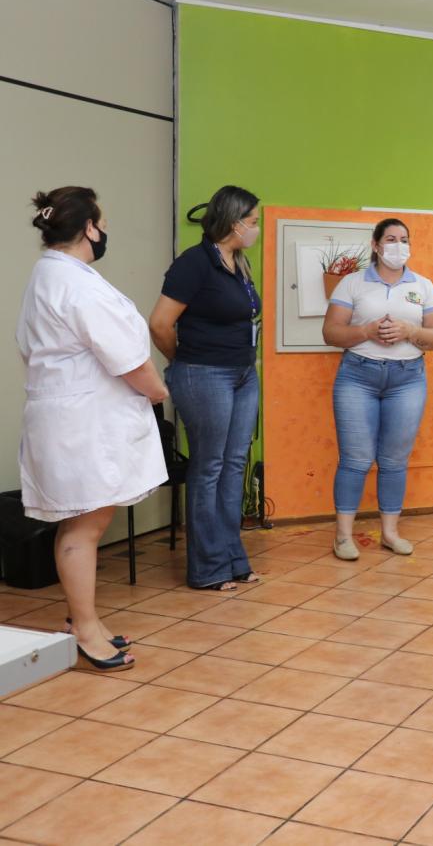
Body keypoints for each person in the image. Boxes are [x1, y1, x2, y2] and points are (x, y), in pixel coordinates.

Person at [20, 188, 168, 671]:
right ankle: (84, 630)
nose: (104, 232)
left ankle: (84, 619)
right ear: (88, 228)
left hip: (72, 417)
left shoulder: (53, 275)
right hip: (83, 423)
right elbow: (126, 358)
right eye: (101, 223)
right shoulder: (76, 284)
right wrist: (158, 391)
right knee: (84, 527)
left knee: (81, 524)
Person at [148, 186, 263, 591]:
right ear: (233, 223)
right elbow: (160, 324)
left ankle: (233, 559)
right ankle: (208, 568)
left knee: (233, 465)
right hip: (205, 374)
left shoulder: (239, 262)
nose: (256, 228)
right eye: (252, 222)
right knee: (210, 466)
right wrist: (182, 360)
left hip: (243, 374)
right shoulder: (194, 263)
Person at [322, 218, 433, 560]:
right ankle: (343, 537)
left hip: (408, 379)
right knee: (356, 459)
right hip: (357, 377)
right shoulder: (352, 283)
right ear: (376, 245)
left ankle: (390, 533)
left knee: (394, 460)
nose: (398, 245)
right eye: (390, 239)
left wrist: (410, 330)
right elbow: (331, 332)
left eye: (404, 239)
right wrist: (366, 331)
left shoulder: (423, 286)